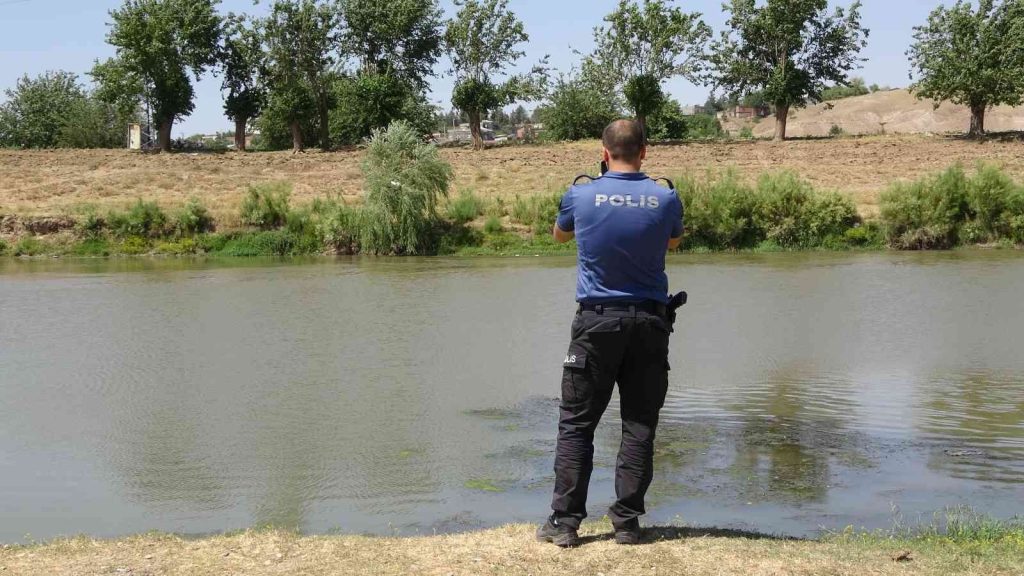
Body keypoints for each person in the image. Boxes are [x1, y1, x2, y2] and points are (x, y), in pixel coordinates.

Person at [536, 119, 684, 548]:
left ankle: (565, 524)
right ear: (645, 152)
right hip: (650, 324)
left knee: (577, 424)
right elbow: (674, 243)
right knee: (639, 424)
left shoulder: (580, 193)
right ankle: (626, 523)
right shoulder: (664, 196)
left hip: (595, 322)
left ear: (604, 153)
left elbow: (559, 235)